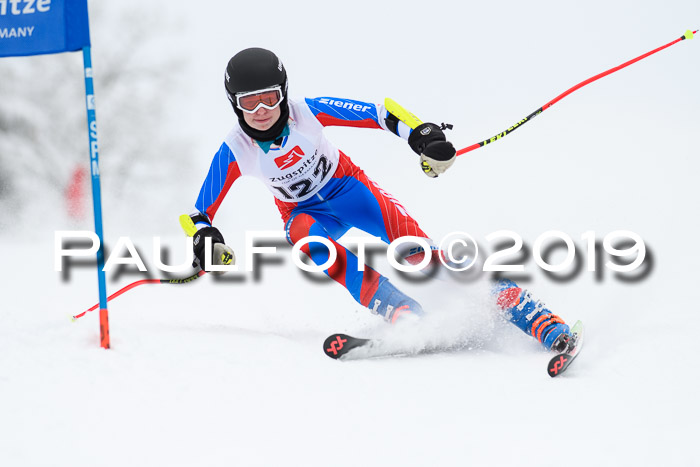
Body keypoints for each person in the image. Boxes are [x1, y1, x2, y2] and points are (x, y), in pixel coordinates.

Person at [188, 47, 574, 352]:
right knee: (306, 240)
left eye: (269, 99)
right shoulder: (235, 150)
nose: (261, 112)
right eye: (248, 102)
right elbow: (199, 213)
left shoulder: (305, 113)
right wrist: (204, 238)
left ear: (283, 93)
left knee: (423, 257)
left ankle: (533, 315)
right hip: (305, 214)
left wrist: (423, 136)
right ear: (233, 103)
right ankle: (401, 311)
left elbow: (379, 113)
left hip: (352, 192)